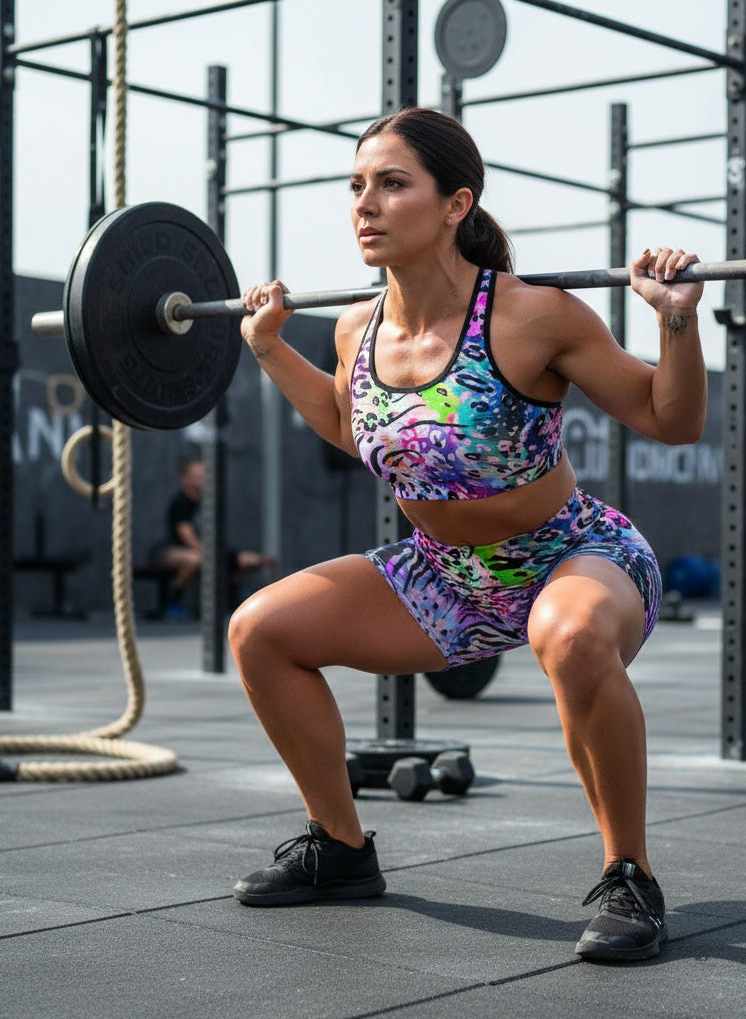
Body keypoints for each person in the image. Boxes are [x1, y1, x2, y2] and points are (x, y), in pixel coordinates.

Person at [228, 107, 707, 964]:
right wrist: (267, 349)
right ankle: (338, 847)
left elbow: (668, 420)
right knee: (260, 630)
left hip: (571, 554)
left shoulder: (533, 316)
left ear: (456, 205)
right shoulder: (355, 329)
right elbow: (356, 426)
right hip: (444, 575)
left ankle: (628, 872)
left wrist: (675, 319)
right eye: (356, 186)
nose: (364, 205)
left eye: (391, 183)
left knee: (568, 635)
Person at [157, 456, 275, 619]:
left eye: (205, 474)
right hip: (175, 550)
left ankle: (230, 600)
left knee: (250, 560)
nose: (204, 478)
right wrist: (211, 554)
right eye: (198, 475)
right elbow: (187, 536)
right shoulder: (180, 503)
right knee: (195, 559)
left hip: (210, 550)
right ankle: (171, 603)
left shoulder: (207, 503)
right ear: (186, 479)